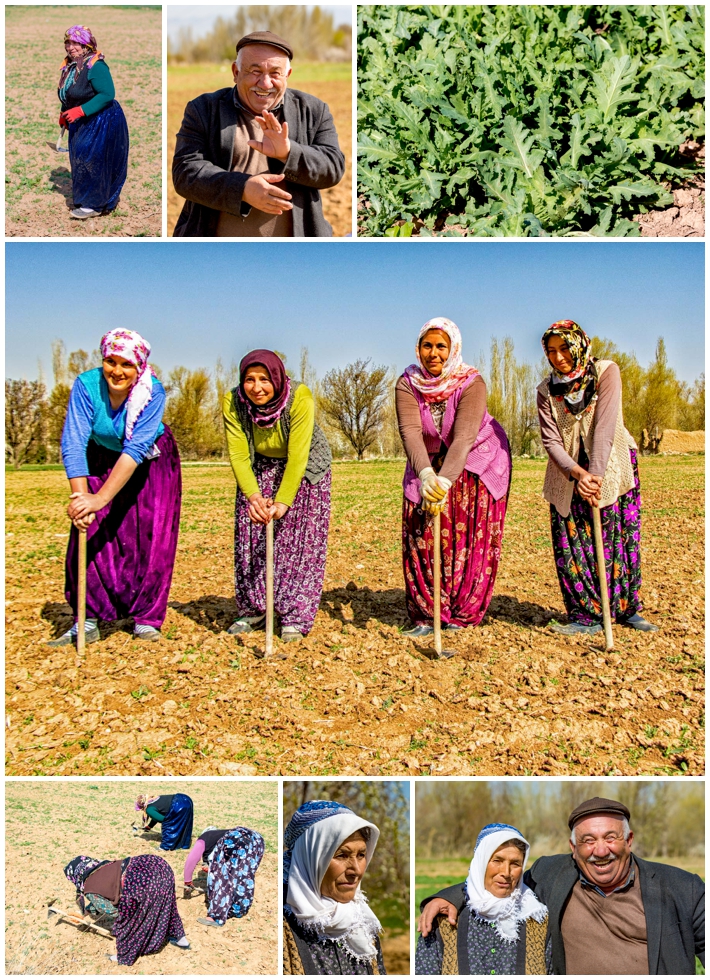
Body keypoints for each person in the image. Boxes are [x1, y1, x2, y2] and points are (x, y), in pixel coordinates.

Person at [419, 797, 705, 976]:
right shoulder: (551, 873)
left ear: (628, 840)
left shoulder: (682, 888)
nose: (601, 850)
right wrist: (448, 896)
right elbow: (499, 882)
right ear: (573, 847)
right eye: (588, 841)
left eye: (610, 837)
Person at [48, 330, 181, 646]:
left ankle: (147, 619)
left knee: (152, 539)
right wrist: (83, 499)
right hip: (100, 456)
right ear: (102, 360)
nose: (117, 371)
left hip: (151, 461)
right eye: (110, 361)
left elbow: (136, 449)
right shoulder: (86, 386)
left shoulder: (153, 392)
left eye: (126, 364)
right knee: (92, 533)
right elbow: (74, 440)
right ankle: (87, 619)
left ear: (139, 367)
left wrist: (102, 498)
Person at [537, 320, 658, 635]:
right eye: (551, 351)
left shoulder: (606, 372)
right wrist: (578, 474)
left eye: (564, 348)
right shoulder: (545, 391)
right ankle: (586, 616)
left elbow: (605, 426)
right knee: (574, 542)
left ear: (578, 345)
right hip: (568, 474)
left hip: (612, 465)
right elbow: (550, 441)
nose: (559, 357)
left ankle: (626, 609)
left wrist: (597, 475)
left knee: (619, 539)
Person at [395, 317, 512, 636]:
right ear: (418, 349)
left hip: (477, 459)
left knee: (465, 537)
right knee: (423, 532)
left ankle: (461, 614)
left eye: (441, 346)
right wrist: (426, 477)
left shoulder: (471, 382)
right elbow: (410, 433)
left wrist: (444, 482)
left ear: (453, 349)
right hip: (427, 460)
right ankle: (426, 613)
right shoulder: (407, 383)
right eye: (427, 345)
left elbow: (462, 438)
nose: (433, 353)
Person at [172, 30, 345, 237]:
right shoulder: (203, 109)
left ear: (287, 75)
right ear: (236, 72)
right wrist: (242, 189)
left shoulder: (314, 110)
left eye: (275, 73)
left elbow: (333, 167)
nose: (265, 83)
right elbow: (185, 172)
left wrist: (288, 153)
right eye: (255, 71)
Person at [222, 350, 332, 642]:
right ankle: (255, 607)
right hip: (260, 464)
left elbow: (297, 455)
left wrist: (283, 501)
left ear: (278, 378)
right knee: (251, 535)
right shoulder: (233, 402)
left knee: (298, 541)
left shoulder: (300, 397)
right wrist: (253, 497)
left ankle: (295, 614)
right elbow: (237, 452)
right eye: (249, 379)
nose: (256, 387)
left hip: (306, 466)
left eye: (264, 379)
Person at [415, 823, 550, 974]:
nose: (506, 872)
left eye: (515, 863)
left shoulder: (538, 920)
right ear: (480, 863)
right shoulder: (443, 920)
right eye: (497, 861)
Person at [283, 800, 385, 975]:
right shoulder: (282, 926)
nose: (357, 870)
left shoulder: (362, 922)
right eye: (342, 855)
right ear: (311, 859)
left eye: (361, 855)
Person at [64, 854, 190, 965]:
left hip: (141, 882)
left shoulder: (89, 889)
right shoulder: (103, 866)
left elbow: (114, 912)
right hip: (156, 865)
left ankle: (124, 957)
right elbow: (104, 892)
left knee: (129, 922)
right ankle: (180, 939)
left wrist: (131, 916)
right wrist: (89, 910)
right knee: (167, 906)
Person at [57, 26, 129, 220]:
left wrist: (80, 110)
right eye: (68, 43)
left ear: (86, 45)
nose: (70, 47)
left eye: (75, 43)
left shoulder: (96, 66)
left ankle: (94, 204)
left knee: (93, 160)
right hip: (80, 120)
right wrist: (64, 113)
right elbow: (68, 94)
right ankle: (86, 199)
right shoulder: (71, 66)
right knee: (79, 158)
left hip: (101, 119)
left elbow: (107, 94)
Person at [194, 827, 266, 927]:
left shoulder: (205, 840)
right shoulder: (222, 833)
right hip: (257, 840)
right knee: (244, 875)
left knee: (221, 877)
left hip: (236, 840)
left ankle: (215, 917)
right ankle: (238, 909)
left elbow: (197, 862)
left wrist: (188, 881)